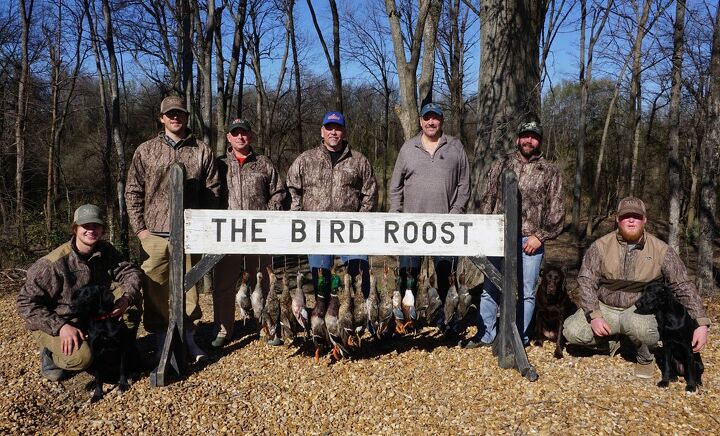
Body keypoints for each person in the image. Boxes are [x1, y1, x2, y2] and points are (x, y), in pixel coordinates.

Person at [563, 196, 710, 378]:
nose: (631, 220)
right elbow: (586, 281)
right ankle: (617, 344)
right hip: (606, 307)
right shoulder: (600, 246)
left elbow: (683, 285)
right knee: (572, 331)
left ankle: (645, 358)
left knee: (637, 326)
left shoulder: (662, 250)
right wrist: (594, 315)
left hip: (639, 310)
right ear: (617, 219)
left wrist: (701, 323)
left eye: (637, 216)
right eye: (626, 216)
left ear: (644, 220)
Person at [125, 95, 221, 361]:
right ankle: (160, 342)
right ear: (162, 118)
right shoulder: (146, 150)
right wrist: (141, 231)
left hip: (189, 233)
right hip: (154, 233)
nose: (175, 117)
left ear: (186, 116)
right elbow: (132, 191)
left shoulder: (202, 150)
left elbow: (212, 192)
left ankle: (188, 340)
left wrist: (204, 229)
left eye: (179, 113)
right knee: (155, 289)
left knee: (189, 290)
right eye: (170, 114)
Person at [465, 118, 565, 348]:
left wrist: (539, 236)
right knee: (491, 287)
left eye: (534, 136)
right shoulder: (501, 165)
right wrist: (486, 231)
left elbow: (557, 212)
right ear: (518, 138)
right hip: (499, 237)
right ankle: (486, 334)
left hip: (530, 241)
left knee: (527, 292)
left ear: (539, 141)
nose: (529, 140)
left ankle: (517, 337)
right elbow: (487, 200)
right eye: (525, 135)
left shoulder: (550, 171)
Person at [17, 204, 143, 381]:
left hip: (92, 315)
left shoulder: (106, 251)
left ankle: (119, 351)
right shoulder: (52, 264)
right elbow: (25, 303)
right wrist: (60, 327)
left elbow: (131, 272)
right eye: (86, 226)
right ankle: (50, 354)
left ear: (103, 229)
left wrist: (126, 298)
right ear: (75, 228)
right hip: (62, 319)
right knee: (81, 359)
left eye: (96, 225)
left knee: (133, 302)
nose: (91, 230)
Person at [389, 102, 471, 335]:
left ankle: (445, 321)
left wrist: (456, 213)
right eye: (427, 118)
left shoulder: (455, 146)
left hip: (444, 226)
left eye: (435, 118)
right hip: (411, 227)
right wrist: (396, 214)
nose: (431, 122)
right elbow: (395, 186)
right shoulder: (408, 148)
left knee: (445, 277)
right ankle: (406, 322)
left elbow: (464, 184)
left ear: (441, 121)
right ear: (420, 121)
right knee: (408, 277)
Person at [286, 111, 377, 301]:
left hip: (351, 229)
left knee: (360, 278)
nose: (333, 132)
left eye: (338, 128)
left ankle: (366, 322)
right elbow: (292, 188)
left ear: (344, 132)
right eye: (329, 128)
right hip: (317, 230)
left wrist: (360, 221)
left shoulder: (359, 160)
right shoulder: (306, 159)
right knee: (322, 280)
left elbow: (370, 192)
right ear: (322, 132)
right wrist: (299, 216)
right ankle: (325, 323)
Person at [212, 118, 285, 348]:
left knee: (263, 283)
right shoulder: (219, 165)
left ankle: (266, 326)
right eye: (236, 133)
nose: (240, 137)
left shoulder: (264, 164)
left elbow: (279, 192)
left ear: (250, 136)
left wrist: (267, 214)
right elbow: (210, 195)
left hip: (260, 234)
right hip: (228, 234)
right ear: (229, 137)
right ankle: (224, 330)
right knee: (224, 285)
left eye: (244, 133)